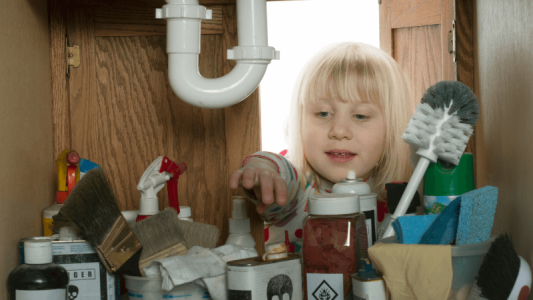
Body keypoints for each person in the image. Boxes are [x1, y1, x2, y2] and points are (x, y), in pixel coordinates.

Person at [229, 42, 414, 252]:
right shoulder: (300, 186)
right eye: (323, 113)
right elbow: (280, 170)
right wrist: (262, 168)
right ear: (300, 120)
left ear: (392, 127)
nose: (339, 131)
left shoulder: (399, 198)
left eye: (360, 116)